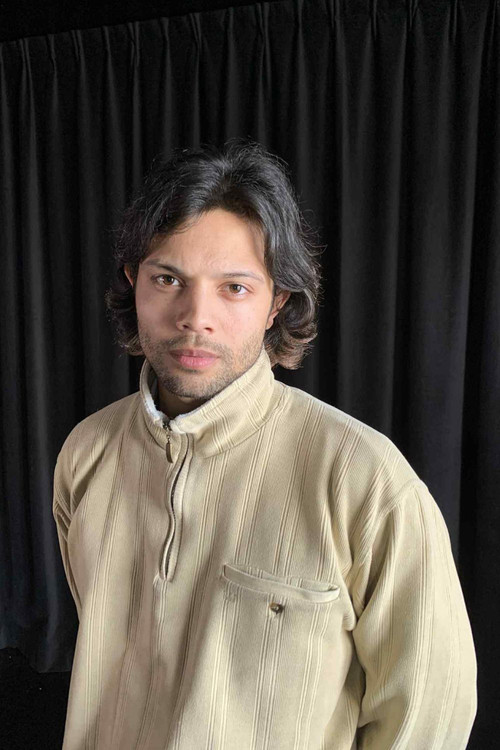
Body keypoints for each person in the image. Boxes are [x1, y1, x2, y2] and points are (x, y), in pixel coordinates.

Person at [52, 139, 477, 749]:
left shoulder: (366, 481)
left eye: (235, 287)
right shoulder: (86, 455)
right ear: (133, 282)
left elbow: (428, 718)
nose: (195, 316)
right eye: (168, 278)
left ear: (277, 302)